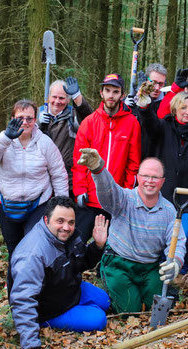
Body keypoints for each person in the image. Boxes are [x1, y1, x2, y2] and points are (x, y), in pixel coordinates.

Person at [77, 149, 186, 313]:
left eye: (155, 177)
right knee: (129, 310)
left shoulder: (169, 211)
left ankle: (143, 291)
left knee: (154, 307)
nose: (150, 181)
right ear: (137, 177)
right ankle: (107, 286)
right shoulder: (124, 199)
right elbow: (108, 191)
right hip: (119, 263)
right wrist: (98, 169)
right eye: (145, 176)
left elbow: (177, 242)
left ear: (163, 181)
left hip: (149, 266)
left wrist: (175, 262)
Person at [9, 196, 110, 349]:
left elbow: (81, 261)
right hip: (48, 308)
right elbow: (22, 299)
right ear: (46, 219)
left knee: (104, 301)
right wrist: (31, 346)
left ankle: (79, 306)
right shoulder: (33, 253)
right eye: (60, 221)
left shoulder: (66, 236)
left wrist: (97, 246)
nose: (66, 227)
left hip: (66, 288)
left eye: (71, 222)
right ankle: (47, 322)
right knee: (99, 319)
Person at [0, 99, 69, 257]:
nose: (25, 122)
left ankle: (36, 280)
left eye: (29, 118)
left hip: (37, 203)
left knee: (34, 247)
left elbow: (58, 173)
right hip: (7, 202)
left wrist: (62, 204)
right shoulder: (3, 138)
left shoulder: (44, 142)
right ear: (12, 118)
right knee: (13, 248)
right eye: (20, 118)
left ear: (35, 119)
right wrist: (7, 138)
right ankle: (13, 280)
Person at [137, 91, 188, 277]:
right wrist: (145, 108)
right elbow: (150, 124)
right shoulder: (165, 127)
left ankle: (182, 274)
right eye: (183, 108)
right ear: (174, 110)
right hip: (166, 194)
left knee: (185, 237)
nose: (187, 111)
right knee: (163, 237)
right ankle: (160, 271)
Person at [72, 73, 141, 242]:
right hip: (90, 197)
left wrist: (126, 193)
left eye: (115, 91)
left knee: (111, 248)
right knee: (77, 242)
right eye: (107, 90)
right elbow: (79, 162)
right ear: (101, 93)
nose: (111, 95)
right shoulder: (89, 123)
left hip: (117, 199)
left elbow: (133, 163)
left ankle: (104, 269)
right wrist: (80, 190)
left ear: (122, 95)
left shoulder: (132, 123)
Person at [37, 77, 94, 192]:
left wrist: (77, 97)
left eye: (62, 98)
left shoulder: (73, 115)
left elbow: (91, 121)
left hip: (68, 179)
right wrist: (37, 123)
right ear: (48, 97)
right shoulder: (37, 113)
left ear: (68, 100)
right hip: (41, 178)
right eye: (54, 97)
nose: (57, 101)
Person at [125, 63, 168, 158]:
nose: (156, 88)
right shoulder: (132, 100)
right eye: (153, 82)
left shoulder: (167, 104)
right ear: (146, 80)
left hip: (155, 157)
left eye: (161, 84)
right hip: (132, 155)